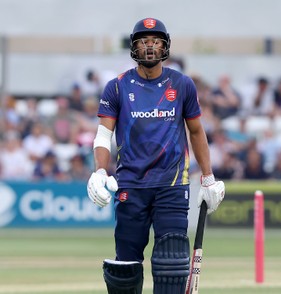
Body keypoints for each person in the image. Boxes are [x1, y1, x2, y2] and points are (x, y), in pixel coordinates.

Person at [86, 17, 225, 294]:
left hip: (171, 186)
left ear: (165, 46)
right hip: (130, 185)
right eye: (143, 41)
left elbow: (196, 132)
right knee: (125, 267)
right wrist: (100, 171)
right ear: (134, 47)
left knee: (171, 265)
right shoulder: (117, 87)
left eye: (156, 41)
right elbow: (104, 135)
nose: (150, 47)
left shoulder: (182, 84)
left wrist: (208, 178)